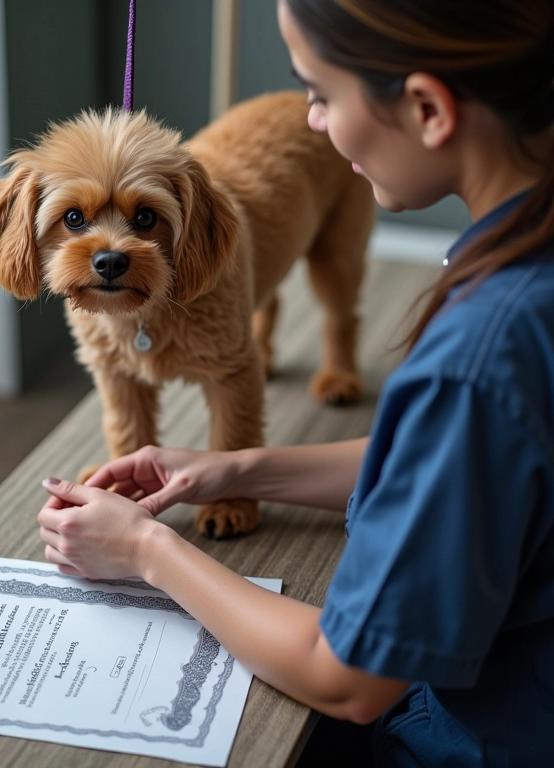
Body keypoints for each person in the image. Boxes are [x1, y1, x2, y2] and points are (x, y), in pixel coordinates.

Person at [38, 0, 554, 764]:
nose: (310, 122)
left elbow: (349, 680)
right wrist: (239, 467)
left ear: (425, 107)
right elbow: (467, 450)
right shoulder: (522, 279)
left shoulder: (477, 355)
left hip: (477, 733)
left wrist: (149, 550)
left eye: (320, 94)